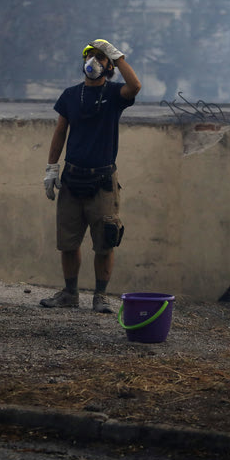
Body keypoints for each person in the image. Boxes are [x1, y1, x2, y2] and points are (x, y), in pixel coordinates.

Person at [41, 39, 141, 313]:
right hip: (73, 178)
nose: (93, 62)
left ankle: (100, 296)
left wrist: (117, 56)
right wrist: (52, 167)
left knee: (105, 241)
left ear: (108, 66)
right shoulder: (71, 95)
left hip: (102, 182)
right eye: (90, 57)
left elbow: (136, 86)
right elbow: (60, 131)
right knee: (68, 242)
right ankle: (69, 294)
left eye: (100, 58)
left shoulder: (114, 94)